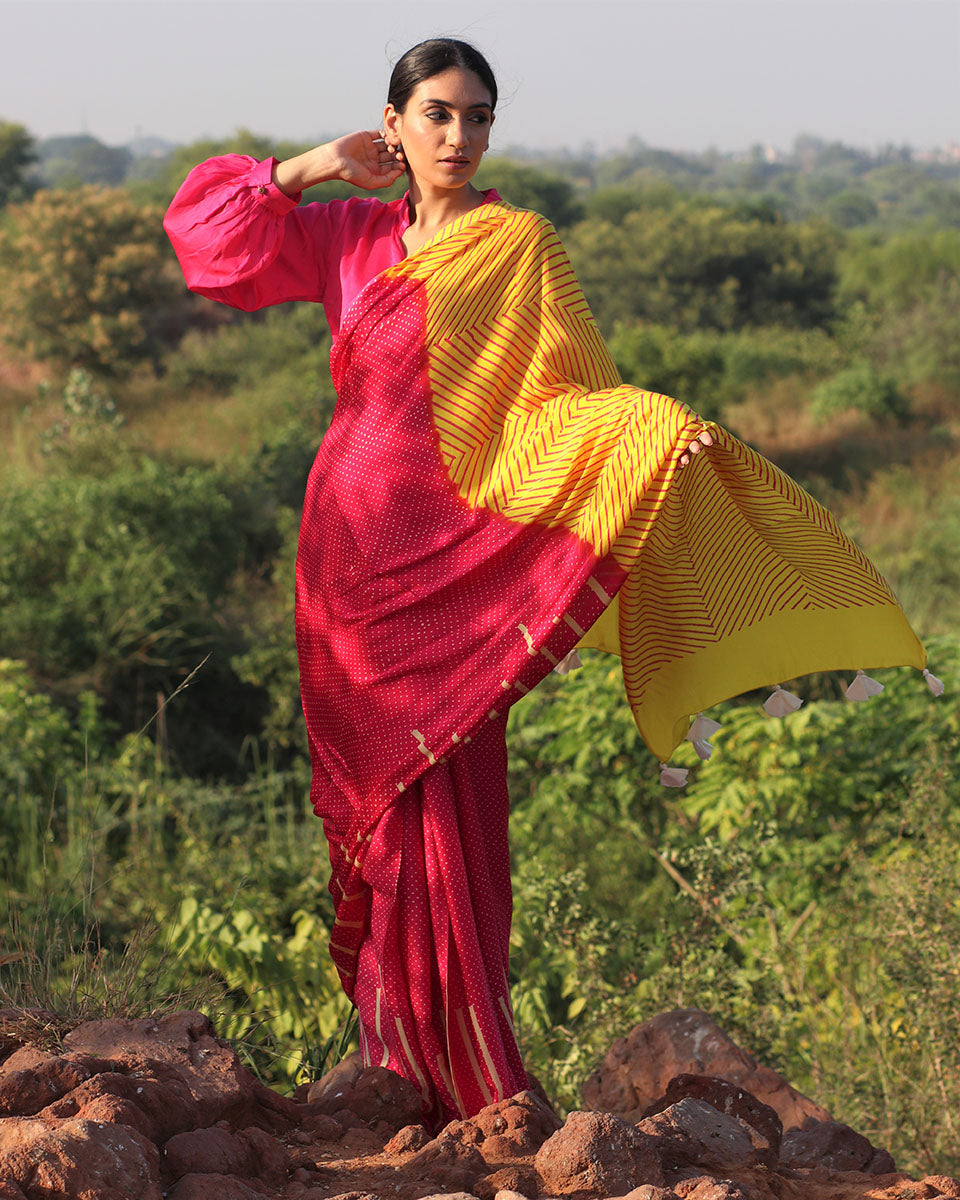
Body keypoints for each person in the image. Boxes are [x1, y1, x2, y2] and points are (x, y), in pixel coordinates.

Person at [164, 38, 926, 1127]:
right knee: (374, 813)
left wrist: (645, 431)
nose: (458, 137)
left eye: (477, 117)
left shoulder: (517, 244)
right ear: (391, 123)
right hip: (347, 560)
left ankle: (468, 1082)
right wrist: (304, 170)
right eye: (435, 114)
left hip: (448, 566)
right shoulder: (348, 234)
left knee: (448, 790)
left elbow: (566, 393)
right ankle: (391, 1066)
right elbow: (208, 247)